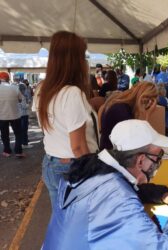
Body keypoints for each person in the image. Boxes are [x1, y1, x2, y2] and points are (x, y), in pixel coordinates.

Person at [42, 119, 168, 249]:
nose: (157, 164)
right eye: (156, 158)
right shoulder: (118, 198)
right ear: (141, 160)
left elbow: (125, 189)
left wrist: (163, 195)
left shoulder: (89, 169)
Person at [34, 31, 99, 208]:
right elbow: (78, 146)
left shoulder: (42, 89)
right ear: (74, 60)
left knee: (62, 221)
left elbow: (50, 127)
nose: (85, 61)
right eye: (83, 56)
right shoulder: (72, 93)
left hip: (51, 162)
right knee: (77, 222)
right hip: (72, 166)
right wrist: (93, 175)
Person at [99, 82, 158, 150]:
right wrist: (147, 115)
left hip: (110, 151)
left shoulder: (123, 105)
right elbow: (138, 140)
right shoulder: (122, 110)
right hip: (112, 155)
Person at [0, 71, 24, 158]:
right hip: (15, 115)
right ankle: (18, 151)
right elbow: (21, 99)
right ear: (8, 78)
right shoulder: (14, 87)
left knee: (4, 134)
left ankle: (7, 151)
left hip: (2, 116)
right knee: (18, 133)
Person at [18, 84, 32, 149]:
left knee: (20, 130)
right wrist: (28, 104)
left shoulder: (17, 95)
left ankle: (21, 142)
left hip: (18, 115)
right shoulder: (22, 96)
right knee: (24, 130)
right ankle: (25, 144)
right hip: (24, 114)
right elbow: (24, 107)